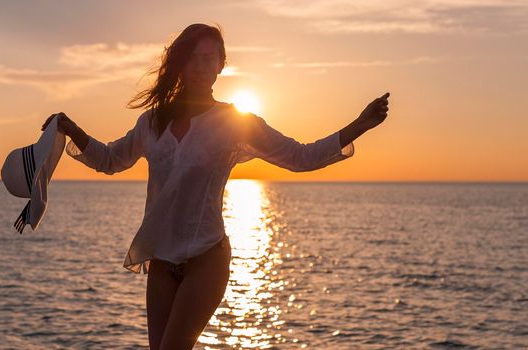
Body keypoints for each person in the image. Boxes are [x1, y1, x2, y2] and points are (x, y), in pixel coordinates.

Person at [41, 23, 390, 350]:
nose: (200, 66)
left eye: (209, 58)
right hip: (162, 260)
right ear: (179, 63)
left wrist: (359, 125)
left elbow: (301, 156)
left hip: (206, 259)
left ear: (222, 64)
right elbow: (110, 159)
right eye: (192, 57)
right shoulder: (152, 121)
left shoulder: (234, 122)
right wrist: (72, 130)